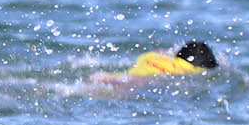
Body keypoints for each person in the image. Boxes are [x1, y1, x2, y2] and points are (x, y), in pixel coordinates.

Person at [89, 40, 217, 86]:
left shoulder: (153, 56)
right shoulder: (190, 70)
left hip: (120, 76)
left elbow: (162, 51)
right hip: (137, 83)